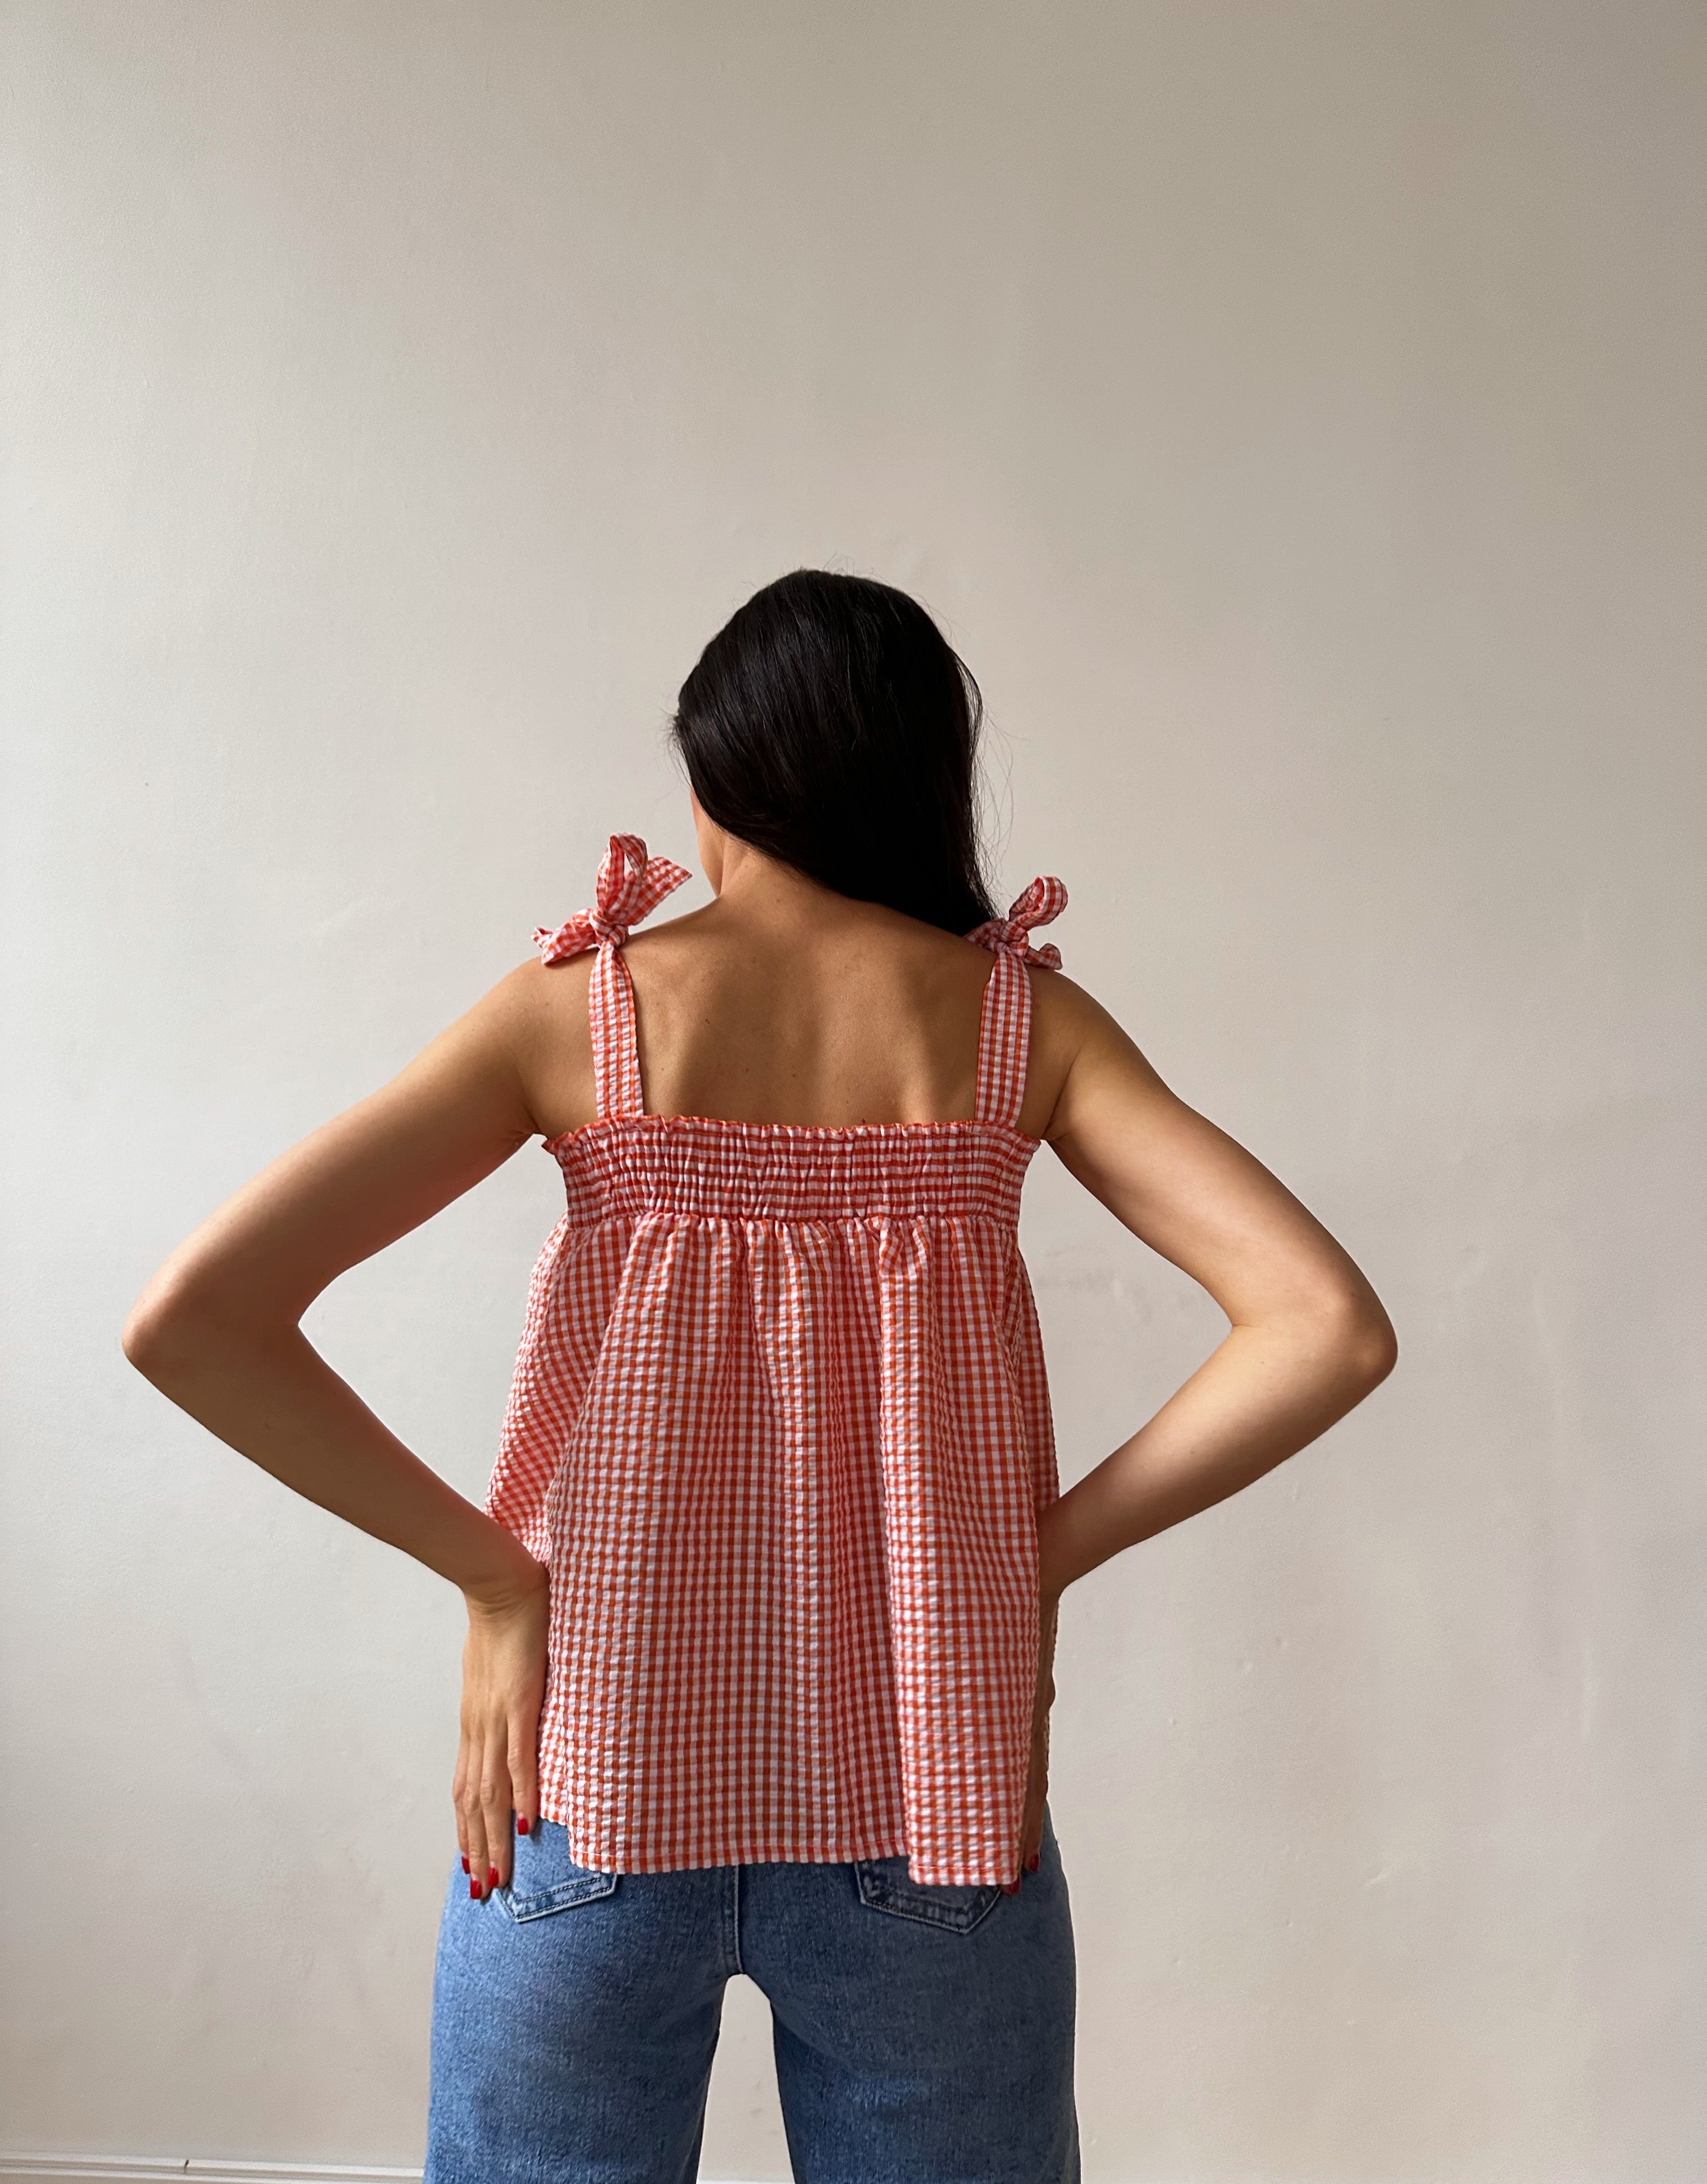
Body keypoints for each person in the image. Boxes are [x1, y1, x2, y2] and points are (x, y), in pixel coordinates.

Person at [124, 567, 1398, 2183]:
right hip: (930, 1790)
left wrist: (501, 1586)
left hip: (592, 1774)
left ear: (721, 781)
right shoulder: (1019, 1029)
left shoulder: (584, 1013)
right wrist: (1035, 1560)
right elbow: (1325, 1323)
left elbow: (196, 1319)